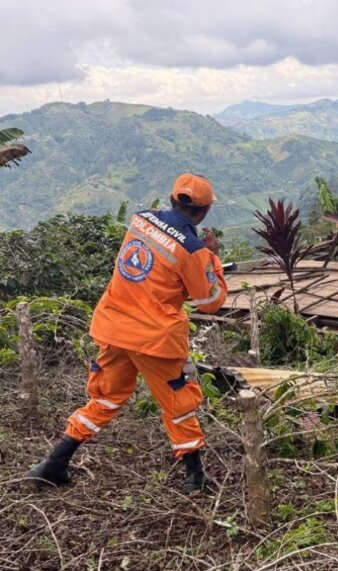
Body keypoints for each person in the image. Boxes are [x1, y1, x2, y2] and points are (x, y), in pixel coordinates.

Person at [29, 174, 228, 493]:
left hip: (115, 327)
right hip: (155, 339)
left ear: (172, 199)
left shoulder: (140, 220)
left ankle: (53, 464)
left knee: (104, 398)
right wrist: (213, 259)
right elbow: (208, 302)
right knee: (178, 403)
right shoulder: (193, 249)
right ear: (204, 211)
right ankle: (194, 479)